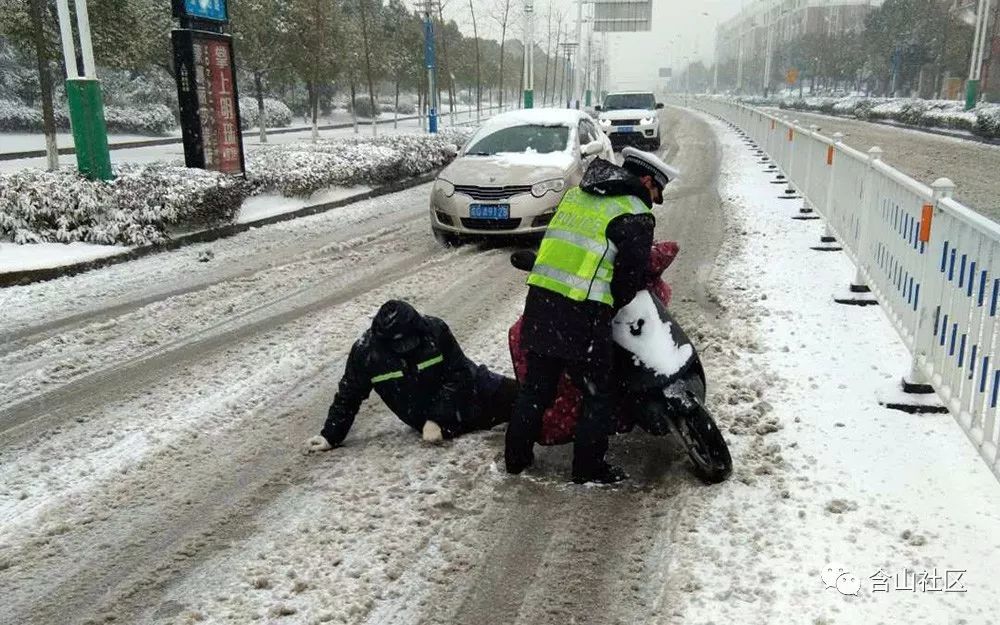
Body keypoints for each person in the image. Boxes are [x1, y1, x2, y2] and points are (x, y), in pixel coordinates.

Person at [504, 146, 679, 484]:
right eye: (656, 192)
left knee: (537, 390)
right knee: (598, 394)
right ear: (645, 180)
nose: (654, 201)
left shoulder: (576, 196)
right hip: (583, 314)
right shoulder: (635, 212)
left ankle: (516, 459)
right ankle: (588, 469)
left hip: (541, 302)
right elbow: (630, 278)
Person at [304, 299, 518, 452]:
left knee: (527, 398)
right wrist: (330, 436)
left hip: (475, 387)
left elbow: (460, 374)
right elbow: (349, 395)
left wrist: (437, 417)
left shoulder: (435, 330)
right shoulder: (366, 353)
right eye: (397, 344)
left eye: (408, 341)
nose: (404, 348)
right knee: (518, 417)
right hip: (431, 419)